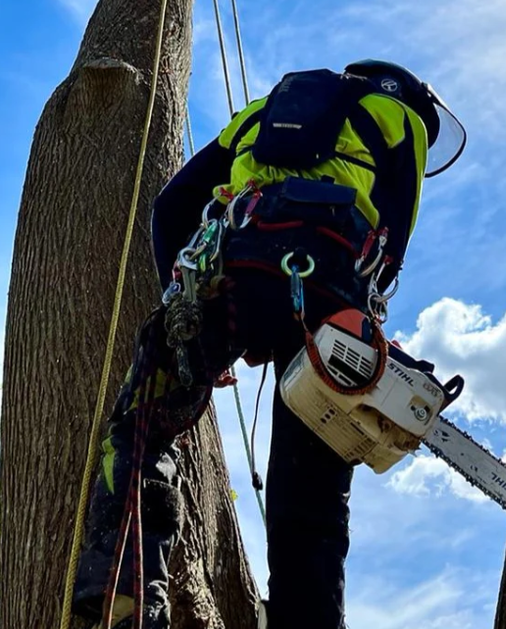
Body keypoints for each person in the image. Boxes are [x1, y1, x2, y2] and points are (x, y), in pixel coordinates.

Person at [72, 60, 466, 629]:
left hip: (227, 275)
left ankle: (124, 581)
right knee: (311, 504)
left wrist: (181, 299)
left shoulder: (261, 112)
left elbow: (172, 205)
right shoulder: (399, 119)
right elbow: (390, 246)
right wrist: (366, 317)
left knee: (142, 428)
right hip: (329, 289)